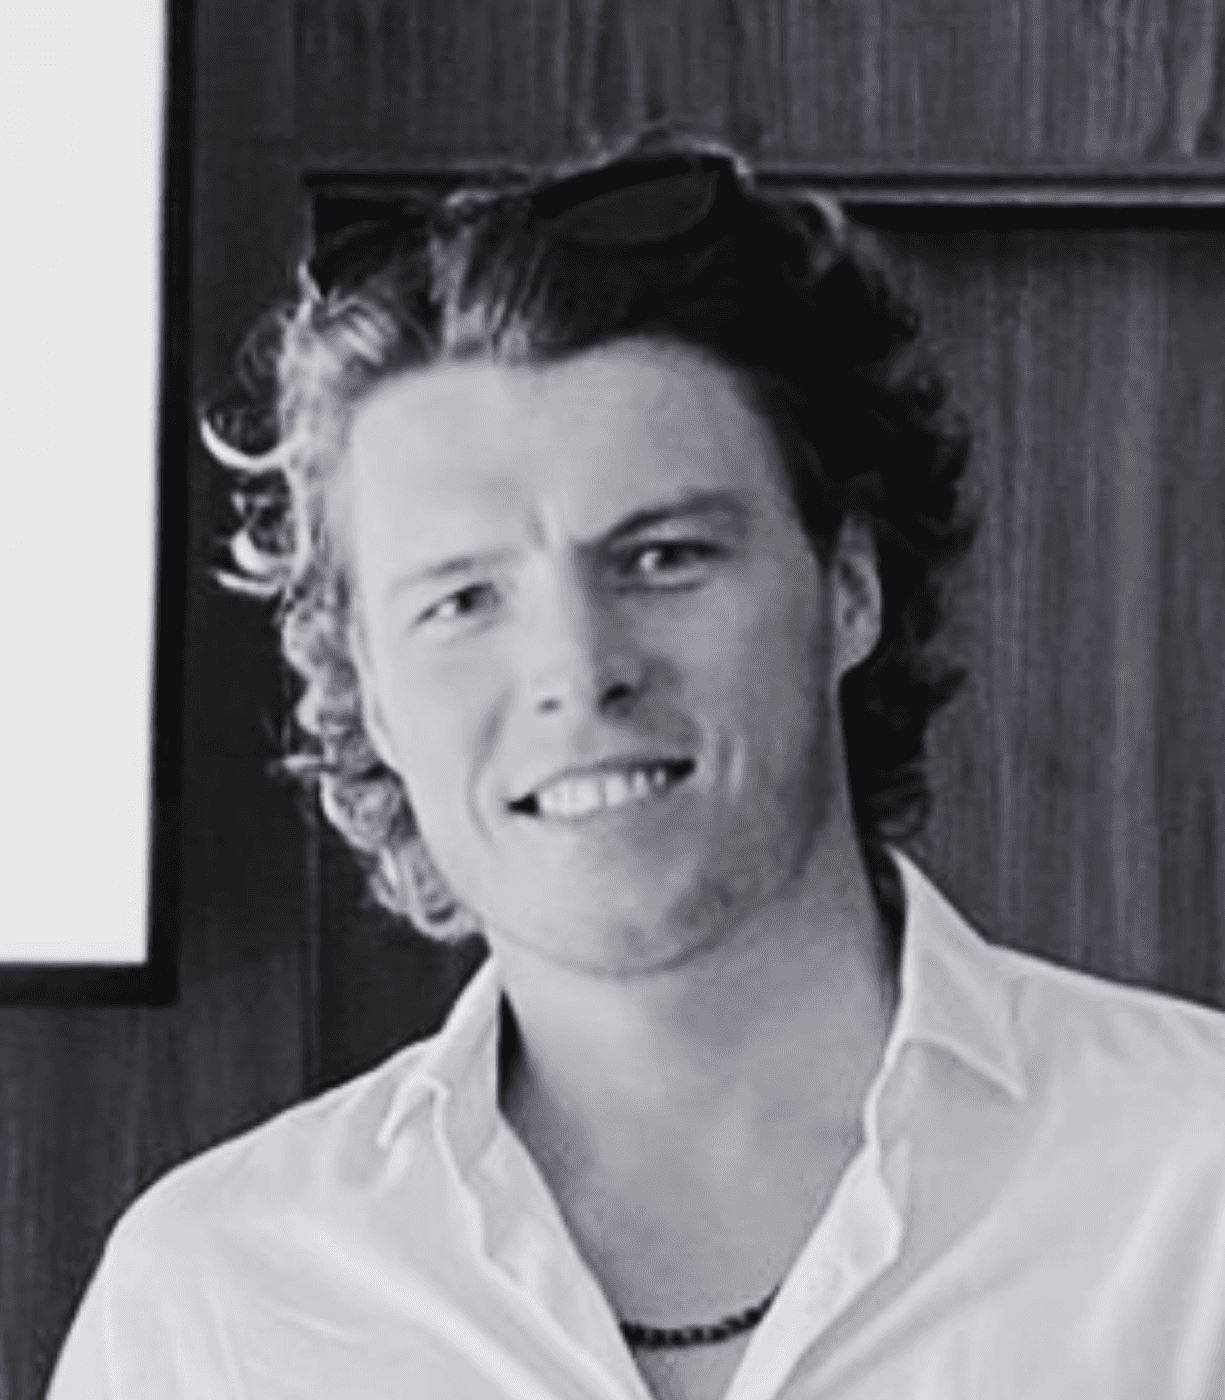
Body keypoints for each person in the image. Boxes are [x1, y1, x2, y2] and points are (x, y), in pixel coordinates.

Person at [49, 133, 1225, 1400]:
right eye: (462, 599)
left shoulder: (1195, 1188)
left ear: (848, 586)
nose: (577, 667)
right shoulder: (212, 1302)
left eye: (662, 557)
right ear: (372, 693)